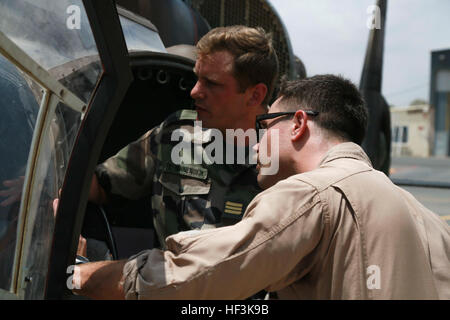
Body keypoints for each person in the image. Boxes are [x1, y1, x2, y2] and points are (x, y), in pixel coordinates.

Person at [74, 74, 450, 300]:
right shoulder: (427, 218)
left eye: (266, 125)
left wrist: (83, 276)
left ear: (299, 124)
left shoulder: (312, 193)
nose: (256, 144)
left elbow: (195, 276)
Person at [88, 25, 279, 249]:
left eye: (212, 83)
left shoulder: (286, 160)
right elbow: (102, 187)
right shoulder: (176, 134)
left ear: (255, 95)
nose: (195, 91)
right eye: (198, 78)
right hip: (163, 279)